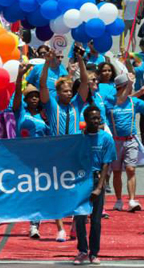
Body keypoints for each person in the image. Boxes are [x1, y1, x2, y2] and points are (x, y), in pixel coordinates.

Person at [39, 48, 89, 242]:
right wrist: (46, 63)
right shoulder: (51, 105)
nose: (69, 93)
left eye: (70, 90)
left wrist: (80, 60)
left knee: (77, 190)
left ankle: (76, 224)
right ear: (58, 92)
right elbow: (42, 85)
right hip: (56, 152)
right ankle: (60, 228)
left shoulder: (77, 104)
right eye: (65, 91)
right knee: (57, 190)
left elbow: (84, 82)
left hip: (75, 152)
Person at [108, 73, 144, 212]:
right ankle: (118, 200)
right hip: (115, 142)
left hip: (131, 140)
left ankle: (131, 200)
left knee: (131, 169)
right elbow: (120, 99)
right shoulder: (110, 102)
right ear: (122, 87)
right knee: (117, 172)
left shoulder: (133, 102)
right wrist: (133, 88)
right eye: (127, 86)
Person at [73, 106, 116, 265]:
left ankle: (94, 252)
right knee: (80, 218)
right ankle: (82, 251)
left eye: (98, 118)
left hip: (97, 180)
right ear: (86, 119)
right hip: (80, 181)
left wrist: (99, 188)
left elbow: (106, 164)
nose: (96, 121)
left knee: (96, 220)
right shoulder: (78, 138)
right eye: (93, 118)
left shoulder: (106, 138)